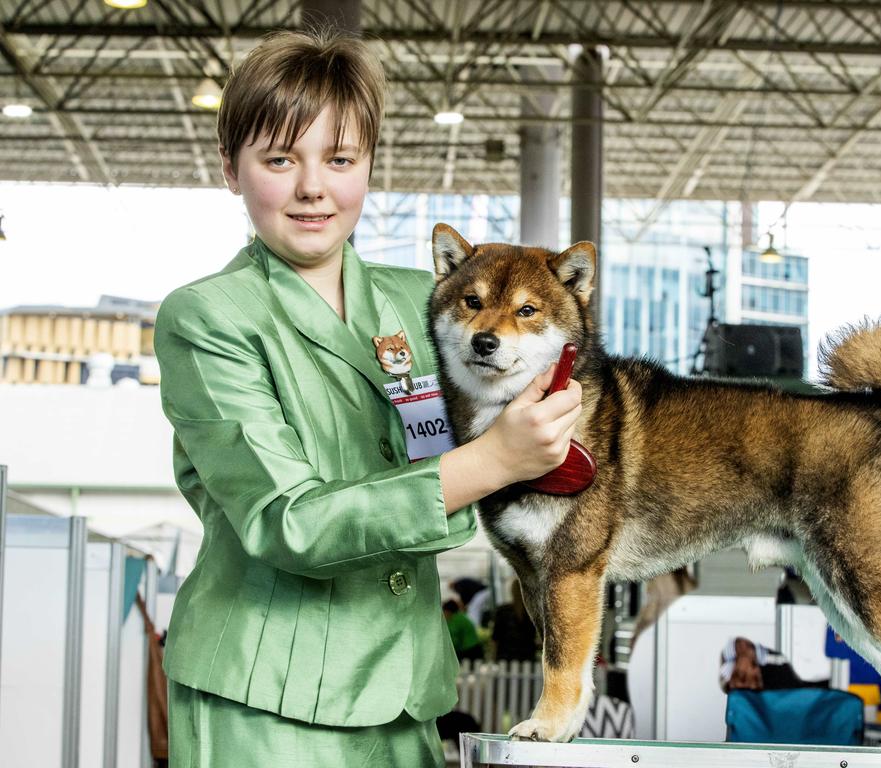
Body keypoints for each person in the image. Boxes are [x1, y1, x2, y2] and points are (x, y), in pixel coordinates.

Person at [153, 29, 582, 768]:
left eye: (340, 159)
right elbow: (291, 524)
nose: (313, 187)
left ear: (370, 166)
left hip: (406, 690)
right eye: (280, 159)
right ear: (231, 168)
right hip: (266, 698)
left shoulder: (428, 303)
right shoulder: (208, 320)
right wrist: (495, 460)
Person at [490, 579, 538, 662]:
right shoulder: (532, 612)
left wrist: (493, 658)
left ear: (512, 591)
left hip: (505, 659)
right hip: (527, 659)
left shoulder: (502, 610)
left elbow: (495, 638)